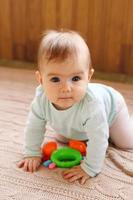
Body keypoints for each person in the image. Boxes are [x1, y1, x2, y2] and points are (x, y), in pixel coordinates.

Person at [17, 30, 133, 184]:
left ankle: (116, 126)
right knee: (62, 137)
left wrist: (90, 167)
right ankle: (87, 128)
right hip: (81, 121)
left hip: (113, 110)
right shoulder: (41, 99)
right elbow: (34, 126)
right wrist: (31, 152)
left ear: (88, 77)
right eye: (55, 79)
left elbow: (98, 139)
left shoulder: (92, 104)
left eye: (76, 78)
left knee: (126, 142)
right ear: (40, 79)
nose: (66, 88)